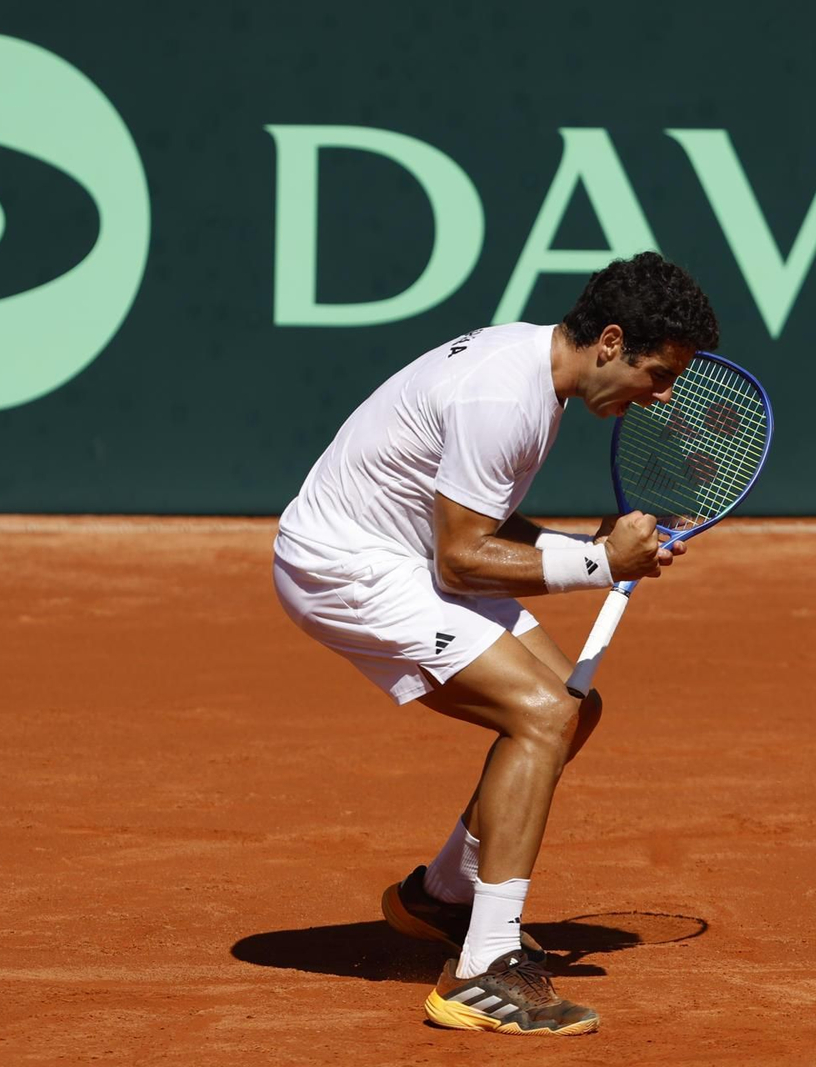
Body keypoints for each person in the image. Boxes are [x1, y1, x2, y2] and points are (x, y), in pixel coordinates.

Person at [272, 251, 720, 1036]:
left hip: (407, 550)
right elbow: (460, 557)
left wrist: (592, 550)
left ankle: (443, 896)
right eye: (658, 374)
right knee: (542, 713)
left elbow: (477, 518)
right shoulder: (506, 396)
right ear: (611, 342)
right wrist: (600, 563)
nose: (663, 396)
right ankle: (484, 967)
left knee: (573, 709)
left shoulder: (532, 371)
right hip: (347, 566)